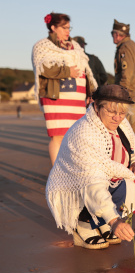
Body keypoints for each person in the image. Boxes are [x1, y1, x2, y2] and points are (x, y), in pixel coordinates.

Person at [45, 85, 135, 249]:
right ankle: (83, 225)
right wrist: (114, 221)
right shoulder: (84, 133)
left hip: (106, 178)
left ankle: (100, 222)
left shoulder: (121, 123)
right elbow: (93, 184)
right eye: (111, 111)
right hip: (76, 187)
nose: (117, 118)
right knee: (96, 188)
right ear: (96, 106)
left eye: (122, 113)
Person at [32, 12, 97, 166]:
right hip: (56, 97)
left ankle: (73, 168)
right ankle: (57, 171)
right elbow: (43, 69)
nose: (68, 31)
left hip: (77, 98)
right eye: (64, 27)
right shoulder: (42, 46)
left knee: (76, 134)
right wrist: (68, 71)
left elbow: (86, 72)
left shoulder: (75, 46)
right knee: (58, 136)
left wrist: (90, 92)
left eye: (69, 27)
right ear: (53, 27)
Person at [112, 19, 135, 152]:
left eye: (113, 33)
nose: (113, 37)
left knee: (130, 131)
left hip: (130, 96)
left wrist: (119, 95)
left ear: (118, 34)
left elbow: (126, 75)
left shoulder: (125, 48)